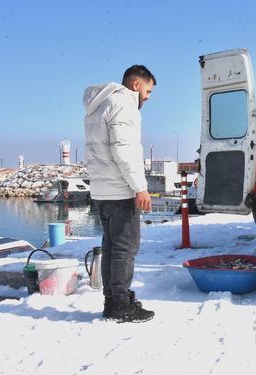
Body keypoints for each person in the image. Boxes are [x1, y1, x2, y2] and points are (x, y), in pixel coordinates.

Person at [83, 65, 156, 322]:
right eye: (148, 90)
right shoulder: (124, 103)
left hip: (103, 191)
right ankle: (121, 306)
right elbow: (123, 151)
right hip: (120, 190)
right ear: (136, 84)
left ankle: (112, 302)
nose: (147, 97)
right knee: (125, 249)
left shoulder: (100, 104)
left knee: (112, 248)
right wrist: (140, 187)